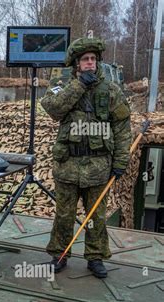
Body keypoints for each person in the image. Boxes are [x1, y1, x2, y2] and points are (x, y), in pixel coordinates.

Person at [40, 37, 132, 278]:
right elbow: (53, 109)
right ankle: (59, 254)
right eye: (85, 60)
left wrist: (121, 161)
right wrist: (79, 85)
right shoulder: (63, 84)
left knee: (96, 217)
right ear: (77, 64)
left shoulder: (110, 89)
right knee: (64, 215)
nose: (90, 63)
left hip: (99, 166)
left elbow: (122, 127)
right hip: (68, 164)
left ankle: (95, 257)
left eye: (93, 59)